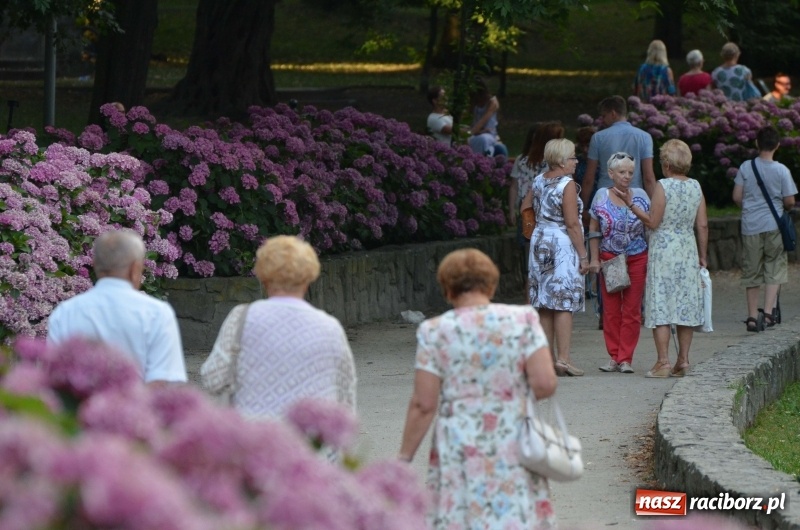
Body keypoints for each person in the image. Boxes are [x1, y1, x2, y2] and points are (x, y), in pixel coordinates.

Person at [398, 248, 558, 529]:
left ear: (448, 288)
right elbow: (545, 383)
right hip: (513, 436)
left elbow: (424, 404)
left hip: (459, 443)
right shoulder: (523, 320)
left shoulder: (434, 331)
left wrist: (404, 457)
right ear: (491, 284)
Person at [202, 235, 356, 419]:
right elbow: (346, 399)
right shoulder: (331, 328)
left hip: (253, 439)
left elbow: (212, 378)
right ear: (307, 280)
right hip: (311, 441)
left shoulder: (241, 318)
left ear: (263, 278)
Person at [47, 230, 187, 386]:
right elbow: (162, 382)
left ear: (95, 265)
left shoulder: (65, 312)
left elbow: (53, 376)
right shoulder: (157, 313)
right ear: (135, 268)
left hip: (79, 408)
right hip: (138, 408)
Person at [621, 139, 708, 378]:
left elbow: (653, 221)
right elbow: (702, 224)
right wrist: (703, 255)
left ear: (667, 164)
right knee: (684, 304)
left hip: (664, 250)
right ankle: (684, 360)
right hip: (687, 249)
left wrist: (632, 206)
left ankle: (663, 362)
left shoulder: (663, 186)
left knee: (662, 303)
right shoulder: (696, 186)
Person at [529, 138, 588, 376]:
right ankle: (563, 359)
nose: (576, 161)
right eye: (573, 157)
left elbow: (530, 208)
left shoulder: (538, 180)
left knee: (544, 302)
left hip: (540, 239)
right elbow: (572, 223)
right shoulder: (567, 185)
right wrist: (583, 255)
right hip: (561, 243)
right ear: (562, 160)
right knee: (563, 302)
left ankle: (547, 359)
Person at [588, 152, 650, 374]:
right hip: (610, 259)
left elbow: (649, 226)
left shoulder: (641, 196)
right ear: (611, 173)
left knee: (632, 309)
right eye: (622, 172)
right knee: (611, 310)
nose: (627, 177)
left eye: (631, 173)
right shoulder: (601, 196)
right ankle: (613, 356)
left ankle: (626, 358)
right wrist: (594, 259)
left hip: (637, 256)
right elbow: (593, 230)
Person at [732, 126, 797, 332]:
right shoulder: (782, 170)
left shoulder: (745, 167)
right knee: (774, 268)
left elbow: (736, 197)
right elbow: (789, 201)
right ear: (777, 146)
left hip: (750, 226)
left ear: (756, 144)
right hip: (774, 225)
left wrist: (750, 208)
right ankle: (768, 314)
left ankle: (752, 317)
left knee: (752, 271)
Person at [580, 95, 656, 226]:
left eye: (604, 116)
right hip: (635, 198)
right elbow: (648, 177)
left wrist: (582, 207)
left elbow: (589, 178)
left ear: (613, 113)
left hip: (605, 198)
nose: (603, 120)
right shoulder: (645, 137)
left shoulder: (598, 138)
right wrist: (655, 206)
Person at [467, 78, 508, 157]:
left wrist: (474, 131)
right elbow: (470, 121)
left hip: (489, 133)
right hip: (476, 131)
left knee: (483, 139)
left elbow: (483, 121)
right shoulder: (474, 102)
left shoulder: (492, 102)